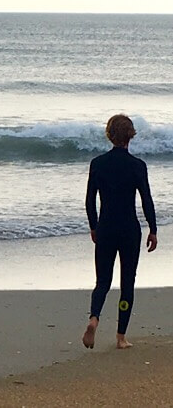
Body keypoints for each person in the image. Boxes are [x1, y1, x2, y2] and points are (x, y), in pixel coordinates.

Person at [83, 114, 158, 350]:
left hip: (105, 228)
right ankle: (120, 337)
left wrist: (94, 226)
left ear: (109, 134)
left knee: (102, 280)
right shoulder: (137, 166)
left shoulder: (98, 164)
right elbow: (146, 200)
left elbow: (89, 201)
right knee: (127, 283)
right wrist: (153, 229)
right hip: (129, 230)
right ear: (130, 136)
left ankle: (94, 318)